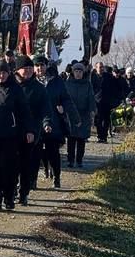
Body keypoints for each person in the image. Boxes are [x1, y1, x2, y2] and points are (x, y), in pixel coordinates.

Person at [0, 57, 31, 211]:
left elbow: (24, 111)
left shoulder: (15, 89)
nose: (1, 76)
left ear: (9, 73)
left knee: (8, 167)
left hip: (10, 134)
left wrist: (28, 130)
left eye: (4, 72)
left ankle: (9, 197)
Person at [34, 56, 80, 188]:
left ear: (46, 66)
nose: (39, 68)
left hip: (54, 122)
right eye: (37, 65)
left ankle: (57, 177)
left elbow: (66, 99)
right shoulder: (31, 80)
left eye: (42, 65)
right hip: (36, 123)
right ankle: (33, 180)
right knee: (36, 153)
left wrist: (71, 114)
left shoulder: (56, 81)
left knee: (53, 151)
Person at [14, 55, 52, 203]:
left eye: (31, 68)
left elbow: (46, 108)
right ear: (18, 70)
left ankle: (24, 192)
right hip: (12, 130)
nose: (29, 71)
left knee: (26, 163)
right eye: (25, 68)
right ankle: (12, 190)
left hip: (32, 130)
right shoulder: (11, 85)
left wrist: (47, 123)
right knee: (12, 163)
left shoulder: (39, 88)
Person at [65, 62, 96, 167]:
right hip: (71, 115)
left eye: (80, 71)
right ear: (73, 72)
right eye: (76, 71)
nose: (78, 73)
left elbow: (91, 98)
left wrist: (92, 111)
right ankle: (70, 160)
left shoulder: (87, 84)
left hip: (84, 114)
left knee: (81, 139)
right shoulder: (68, 83)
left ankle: (79, 160)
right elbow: (64, 98)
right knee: (71, 139)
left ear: (83, 73)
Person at [90, 61, 115, 143]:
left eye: (102, 67)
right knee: (98, 120)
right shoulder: (92, 77)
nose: (101, 69)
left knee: (106, 120)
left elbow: (113, 87)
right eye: (99, 67)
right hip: (97, 101)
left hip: (106, 101)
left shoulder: (108, 76)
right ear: (96, 68)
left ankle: (104, 136)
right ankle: (100, 136)